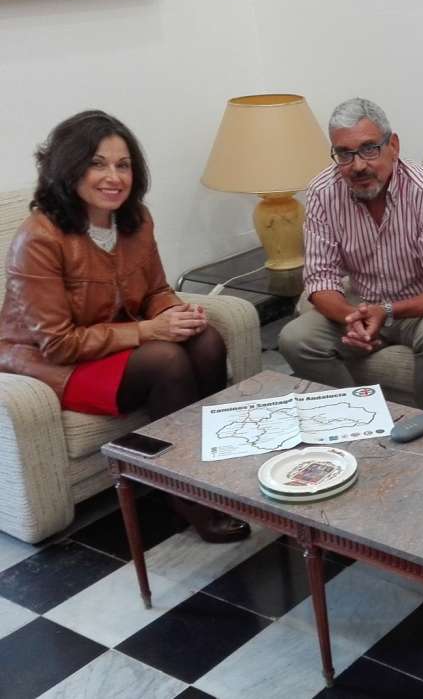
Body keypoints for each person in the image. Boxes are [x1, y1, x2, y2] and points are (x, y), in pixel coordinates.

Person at [0, 110, 249, 544]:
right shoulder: (39, 239)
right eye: (97, 163)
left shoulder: (136, 219)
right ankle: (187, 495)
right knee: (166, 360)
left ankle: (209, 465)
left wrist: (176, 312)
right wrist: (151, 331)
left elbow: (154, 290)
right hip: (53, 364)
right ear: (68, 168)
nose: (113, 177)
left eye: (123, 164)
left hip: (110, 344)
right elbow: (57, 344)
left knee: (206, 340)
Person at [278, 98, 423, 411]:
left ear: (392, 145)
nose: (358, 165)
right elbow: (319, 278)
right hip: (359, 306)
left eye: (369, 149)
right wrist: (353, 319)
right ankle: (360, 420)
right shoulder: (323, 192)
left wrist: (387, 311)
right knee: (296, 338)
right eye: (344, 153)